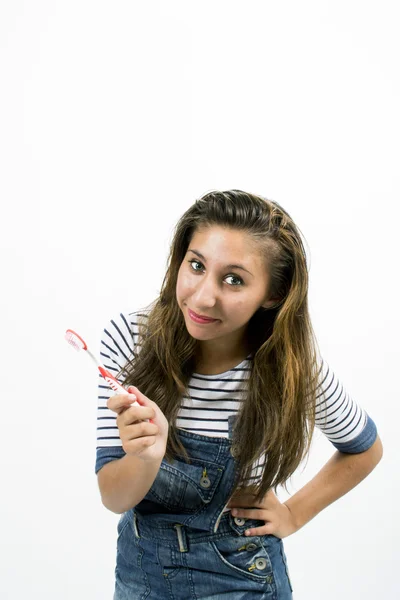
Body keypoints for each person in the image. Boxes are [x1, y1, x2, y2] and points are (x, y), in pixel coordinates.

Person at [95, 189, 382, 599]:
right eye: (196, 265)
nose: (202, 296)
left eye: (233, 280)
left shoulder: (288, 367)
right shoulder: (131, 339)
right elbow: (114, 496)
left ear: (273, 294)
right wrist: (146, 454)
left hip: (241, 578)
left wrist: (294, 515)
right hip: (139, 576)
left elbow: (365, 448)